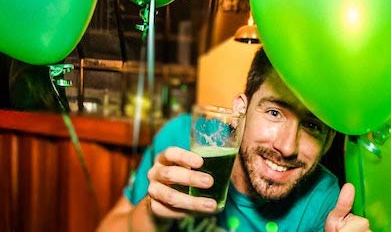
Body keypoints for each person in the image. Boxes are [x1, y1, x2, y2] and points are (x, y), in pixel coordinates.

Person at [97, 48, 371, 232]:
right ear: (241, 110)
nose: (287, 147)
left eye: (312, 125)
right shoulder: (183, 138)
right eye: (274, 112)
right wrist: (152, 213)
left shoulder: (324, 199)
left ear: (329, 139)